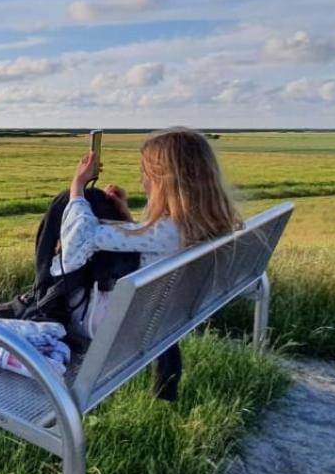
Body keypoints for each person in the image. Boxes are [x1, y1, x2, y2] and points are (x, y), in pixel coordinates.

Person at [53, 127, 241, 401]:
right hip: (167, 319)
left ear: (165, 181)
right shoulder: (204, 226)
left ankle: (34, 313)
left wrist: (77, 187)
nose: (143, 182)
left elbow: (79, 239)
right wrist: (128, 218)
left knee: (63, 220)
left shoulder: (168, 231)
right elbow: (153, 246)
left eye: (147, 174)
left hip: (119, 329)